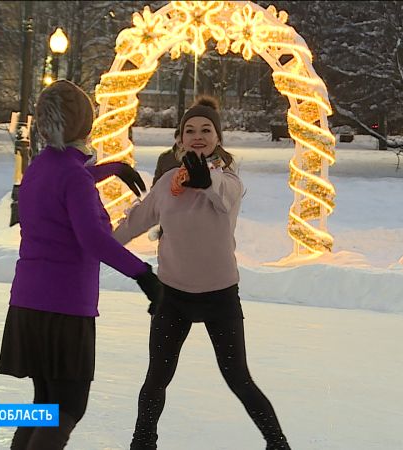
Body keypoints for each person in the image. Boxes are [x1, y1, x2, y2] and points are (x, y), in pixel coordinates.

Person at [113, 96, 290, 450]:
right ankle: (142, 443)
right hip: (173, 297)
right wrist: (88, 239)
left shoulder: (229, 181)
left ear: (217, 138)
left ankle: (278, 443)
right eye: (190, 130)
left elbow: (222, 197)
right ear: (179, 139)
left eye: (206, 130)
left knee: (238, 378)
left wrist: (204, 178)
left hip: (219, 297)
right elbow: (132, 224)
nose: (197, 135)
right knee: (156, 379)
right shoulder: (166, 185)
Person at [0, 80, 162, 450]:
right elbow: (93, 239)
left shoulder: (39, 167)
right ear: (86, 125)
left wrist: (112, 168)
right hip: (64, 308)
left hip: (28, 304)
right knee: (68, 406)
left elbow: (68, 176)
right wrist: (144, 275)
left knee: (44, 406)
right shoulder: (71, 177)